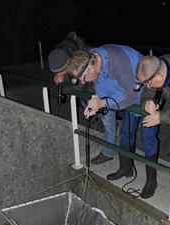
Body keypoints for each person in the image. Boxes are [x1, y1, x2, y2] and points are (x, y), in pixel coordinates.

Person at [67, 45, 159, 199]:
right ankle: (126, 168)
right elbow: (101, 85)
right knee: (125, 133)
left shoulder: (117, 61)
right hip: (124, 94)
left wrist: (103, 104)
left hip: (146, 93)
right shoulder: (96, 58)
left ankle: (152, 180)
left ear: (92, 66)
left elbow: (131, 96)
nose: (84, 83)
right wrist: (97, 100)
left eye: (84, 79)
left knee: (148, 136)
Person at [48, 31, 119, 164]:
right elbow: (76, 81)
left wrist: (63, 86)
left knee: (108, 119)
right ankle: (102, 124)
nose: (60, 74)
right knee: (85, 105)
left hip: (103, 84)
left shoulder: (85, 52)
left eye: (62, 72)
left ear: (70, 63)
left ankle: (108, 152)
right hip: (88, 86)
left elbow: (81, 85)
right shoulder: (60, 53)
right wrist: (60, 76)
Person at [135, 54, 170, 217]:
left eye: (148, 82)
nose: (147, 86)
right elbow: (146, 94)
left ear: (158, 75)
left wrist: (161, 116)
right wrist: (146, 103)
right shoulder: (157, 67)